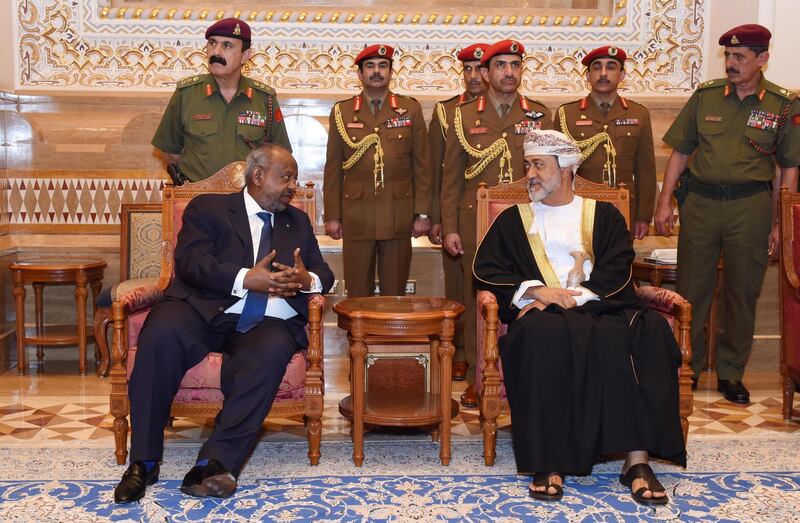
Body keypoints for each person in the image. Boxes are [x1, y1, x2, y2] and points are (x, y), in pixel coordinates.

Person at [473, 129, 685, 504]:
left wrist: (576, 297)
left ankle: (636, 460)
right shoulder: (513, 219)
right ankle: (550, 458)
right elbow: (487, 269)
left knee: (646, 330)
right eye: (528, 165)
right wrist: (538, 292)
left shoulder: (602, 214)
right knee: (542, 335)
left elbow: (619, 267)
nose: (531, 173)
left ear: (566, 167)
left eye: (539, 164)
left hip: (600, 306)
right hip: (542, 315)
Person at [113, 144, 334, 503]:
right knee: (161, 332)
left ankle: (215, 462)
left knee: (270, 352)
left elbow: (324, 272)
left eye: (294, 178)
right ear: (258, 175)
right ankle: (144, 461)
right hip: (201, 307)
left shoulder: (298, 221)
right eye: (286, 177)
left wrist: (307, 279)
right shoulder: (208, 209)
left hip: (266, 318)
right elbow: (191, 263)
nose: (292, 186)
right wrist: (247, 278)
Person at [654, 24, 800, 403]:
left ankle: (731, 372)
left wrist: (780, 222)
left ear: (762, 59)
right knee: (691, 290)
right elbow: (681, 152)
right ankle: (686, 366)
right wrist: (665, 199)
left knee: (742, 292)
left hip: (750, 206)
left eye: (740, 57)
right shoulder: (706, 97)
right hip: (700, 204)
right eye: (728, 57)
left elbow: (788, 168)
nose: (731, 64)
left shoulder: (782, 105)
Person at [441, 39, 551, 407]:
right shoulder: (464, 115)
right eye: (501, 65)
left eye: (515, 65)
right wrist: (451, 225)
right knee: (479, 299)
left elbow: (550, 174)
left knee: (527, 293)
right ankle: (478, 375)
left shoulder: (538, 115)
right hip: (477, 221)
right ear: (486, 73)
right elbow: (452, 178)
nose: (509, 72)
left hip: (526, 221)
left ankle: (521, 371)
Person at [323, 44, 430, 297]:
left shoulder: (410, 109)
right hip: (357, 214)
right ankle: (358, 338)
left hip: (398, 214)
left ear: (391, 72)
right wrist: (332, 215)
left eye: (383, 66)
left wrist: (423, 214)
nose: (376, 72)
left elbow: (422, 165)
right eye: (370, 66)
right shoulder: (342, 111)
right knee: (358, 292)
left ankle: (392, 338)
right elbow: (333, 168)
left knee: (395, 293)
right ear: (359, 74)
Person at [151, 18, 292, 182]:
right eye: (212, 43)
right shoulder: (186, 93)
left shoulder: (264, 98)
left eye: (227, 45)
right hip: (199, 199)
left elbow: (281, 155)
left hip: (247, 200)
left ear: (245, 55)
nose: (216, 52)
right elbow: (169, 151)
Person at [427, 42, 489, 381]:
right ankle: (463, 352)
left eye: (479, 68)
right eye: (467, 69)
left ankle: (489, 353)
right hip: (459, 212)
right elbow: (439, 172)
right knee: (460, 287)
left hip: (495, 214)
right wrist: (439, 217)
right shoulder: (447, 111)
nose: (474, 75)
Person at [555, 45, 656, 239]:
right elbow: (556, 168)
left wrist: (643, 216)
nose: (603, 73)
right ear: (587, 76)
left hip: (623, 207)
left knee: (617, 264)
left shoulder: (639, 114)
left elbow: (645, 170)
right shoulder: (566, 114)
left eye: (611, 67)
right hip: (578, 206)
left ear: (622, 75)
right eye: (596, 67)